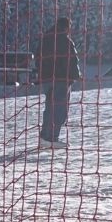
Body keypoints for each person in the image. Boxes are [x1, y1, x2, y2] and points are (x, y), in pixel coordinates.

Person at [34, 16, 82, 149]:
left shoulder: (45, 39)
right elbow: (72, 60)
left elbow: (37, 57)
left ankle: (45, 136)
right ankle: (52, 138)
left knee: (50, 107)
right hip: (61, 79)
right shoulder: (65, 40)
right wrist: (76, 76)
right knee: (59, 108)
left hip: (47, 79)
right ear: (66, 27)